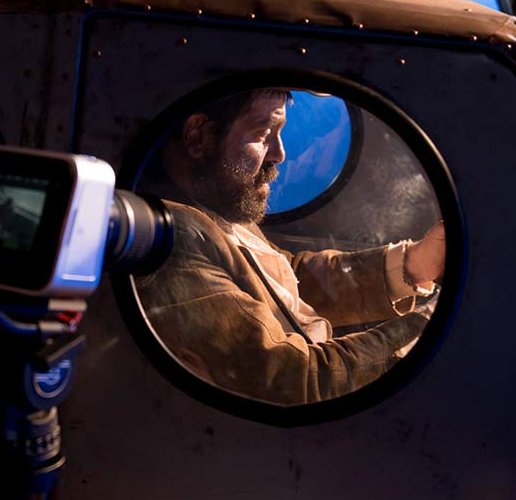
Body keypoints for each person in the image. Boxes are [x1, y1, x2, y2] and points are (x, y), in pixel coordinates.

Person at [135, 89, 444, 406]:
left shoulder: (215, 207)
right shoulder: (173, 240)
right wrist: (429, 326)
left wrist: (415, 264)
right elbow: (295, 381)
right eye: (263, 133)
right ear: (198, 136)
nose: (280, 153)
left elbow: (287, 278)